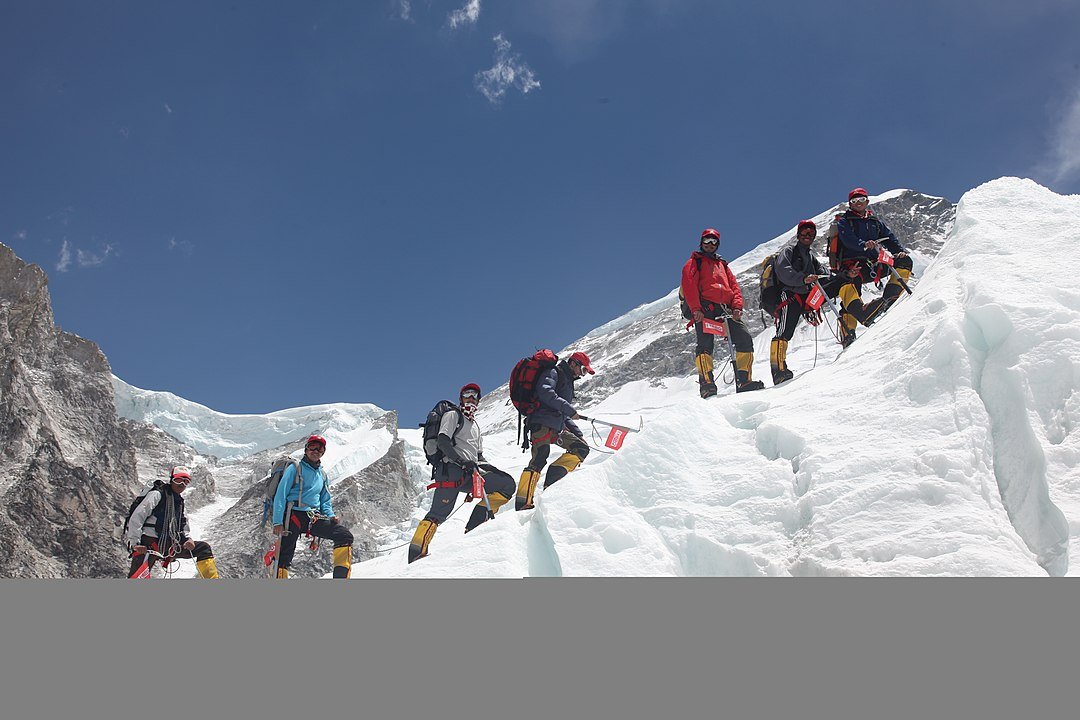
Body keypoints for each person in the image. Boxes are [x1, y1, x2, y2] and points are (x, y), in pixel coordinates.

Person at [408, 384, 517, 563]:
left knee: (506, 484)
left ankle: (473, 530)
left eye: (475, 396)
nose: (471, 398)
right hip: (450, 470)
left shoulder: (476, 426)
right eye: (467, 394)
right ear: (461, 398)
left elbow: (478, 456)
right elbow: (443, 442)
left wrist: (491, 470)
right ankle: (416, 554)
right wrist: (461, 462)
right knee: (437, 514)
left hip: (470, 472)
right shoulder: (453, 415)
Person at [681, 228, 764, 397]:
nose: (710, 244)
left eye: (714, 242)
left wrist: (737, 307)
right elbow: (689, 286)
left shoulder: (723, 265)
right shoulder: (693, 263)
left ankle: (744, 380)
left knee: (744, 338)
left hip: (725, 307)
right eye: (707, 241)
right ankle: (707, 384)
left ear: (717, 244)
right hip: (704, 307)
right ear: (701, 242)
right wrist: (696, 309)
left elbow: (734, 287)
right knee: (705, 345)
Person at [830, 187, 913, 347]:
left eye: (861, 200)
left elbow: (889, 238)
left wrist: (899, 252)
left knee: (905, 261)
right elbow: (848, 240)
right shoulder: (844, 222)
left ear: (867, 201)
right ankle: (849, 334)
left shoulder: (875, 222)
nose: (858, 203)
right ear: (850, 204)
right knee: (849, 289)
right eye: (854, 201)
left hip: (874, 264)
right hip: (852, 264)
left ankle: (890, 297)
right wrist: (863, 245)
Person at [515, 352, 594, 511]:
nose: (582, 374)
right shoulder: (554, 372)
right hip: (541, 423)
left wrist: (578, 435)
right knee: (539, 458)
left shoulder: (567, 382)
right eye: (583, 370)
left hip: (556, 428)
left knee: (581, 449)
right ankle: (522, 502)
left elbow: (563, 414)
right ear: (573, 363)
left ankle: (552, 482)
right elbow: (545, 392)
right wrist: (569, 409)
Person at [271, 434, 353, 578]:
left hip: (312, 517)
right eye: (312, 447)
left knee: (344, 536)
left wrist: (330, 516)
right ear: (306, 449)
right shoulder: (295, 468)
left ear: (323, 452)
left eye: (319, 448)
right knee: (284, 556)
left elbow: (325, 500)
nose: (316, 451)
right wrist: (277, 521)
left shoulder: (322, 475)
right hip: (293, 515)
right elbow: (281, 495)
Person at [125, 466, 219, 578]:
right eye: (178, 480)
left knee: (203, 549)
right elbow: (137, 517)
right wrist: (136, 543)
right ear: (172, 480)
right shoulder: (157, 494)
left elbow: (183, 522)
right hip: (148, 544)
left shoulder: (179, 501)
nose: (182, 484)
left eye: (186, 481)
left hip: (169, 545)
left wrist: (187, 538)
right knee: (137, 577)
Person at [769, 220, 829, 385]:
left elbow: (823, 273)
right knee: (784, 331)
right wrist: (803, 278)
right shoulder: (789, 251)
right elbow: (783, 271)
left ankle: (780, 369)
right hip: (789, 295)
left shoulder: (810, 257)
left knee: (786, 331)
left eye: (810, 233)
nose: (806, 236)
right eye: (803, 233)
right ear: (798, 235)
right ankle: (778, 371)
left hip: (803, 296)